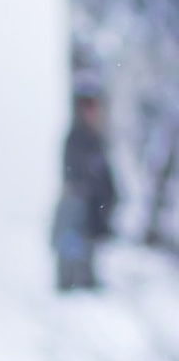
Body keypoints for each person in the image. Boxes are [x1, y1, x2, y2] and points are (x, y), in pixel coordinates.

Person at [54, 82, 119, 290]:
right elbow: (75, 172)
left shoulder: (96, 139)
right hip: (78, 202)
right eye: (89, 108)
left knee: (88, 242)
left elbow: (103, 173)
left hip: (92, 204)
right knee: (73, 241)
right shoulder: (76, 138)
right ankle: (70, 279)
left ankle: (84, 278)